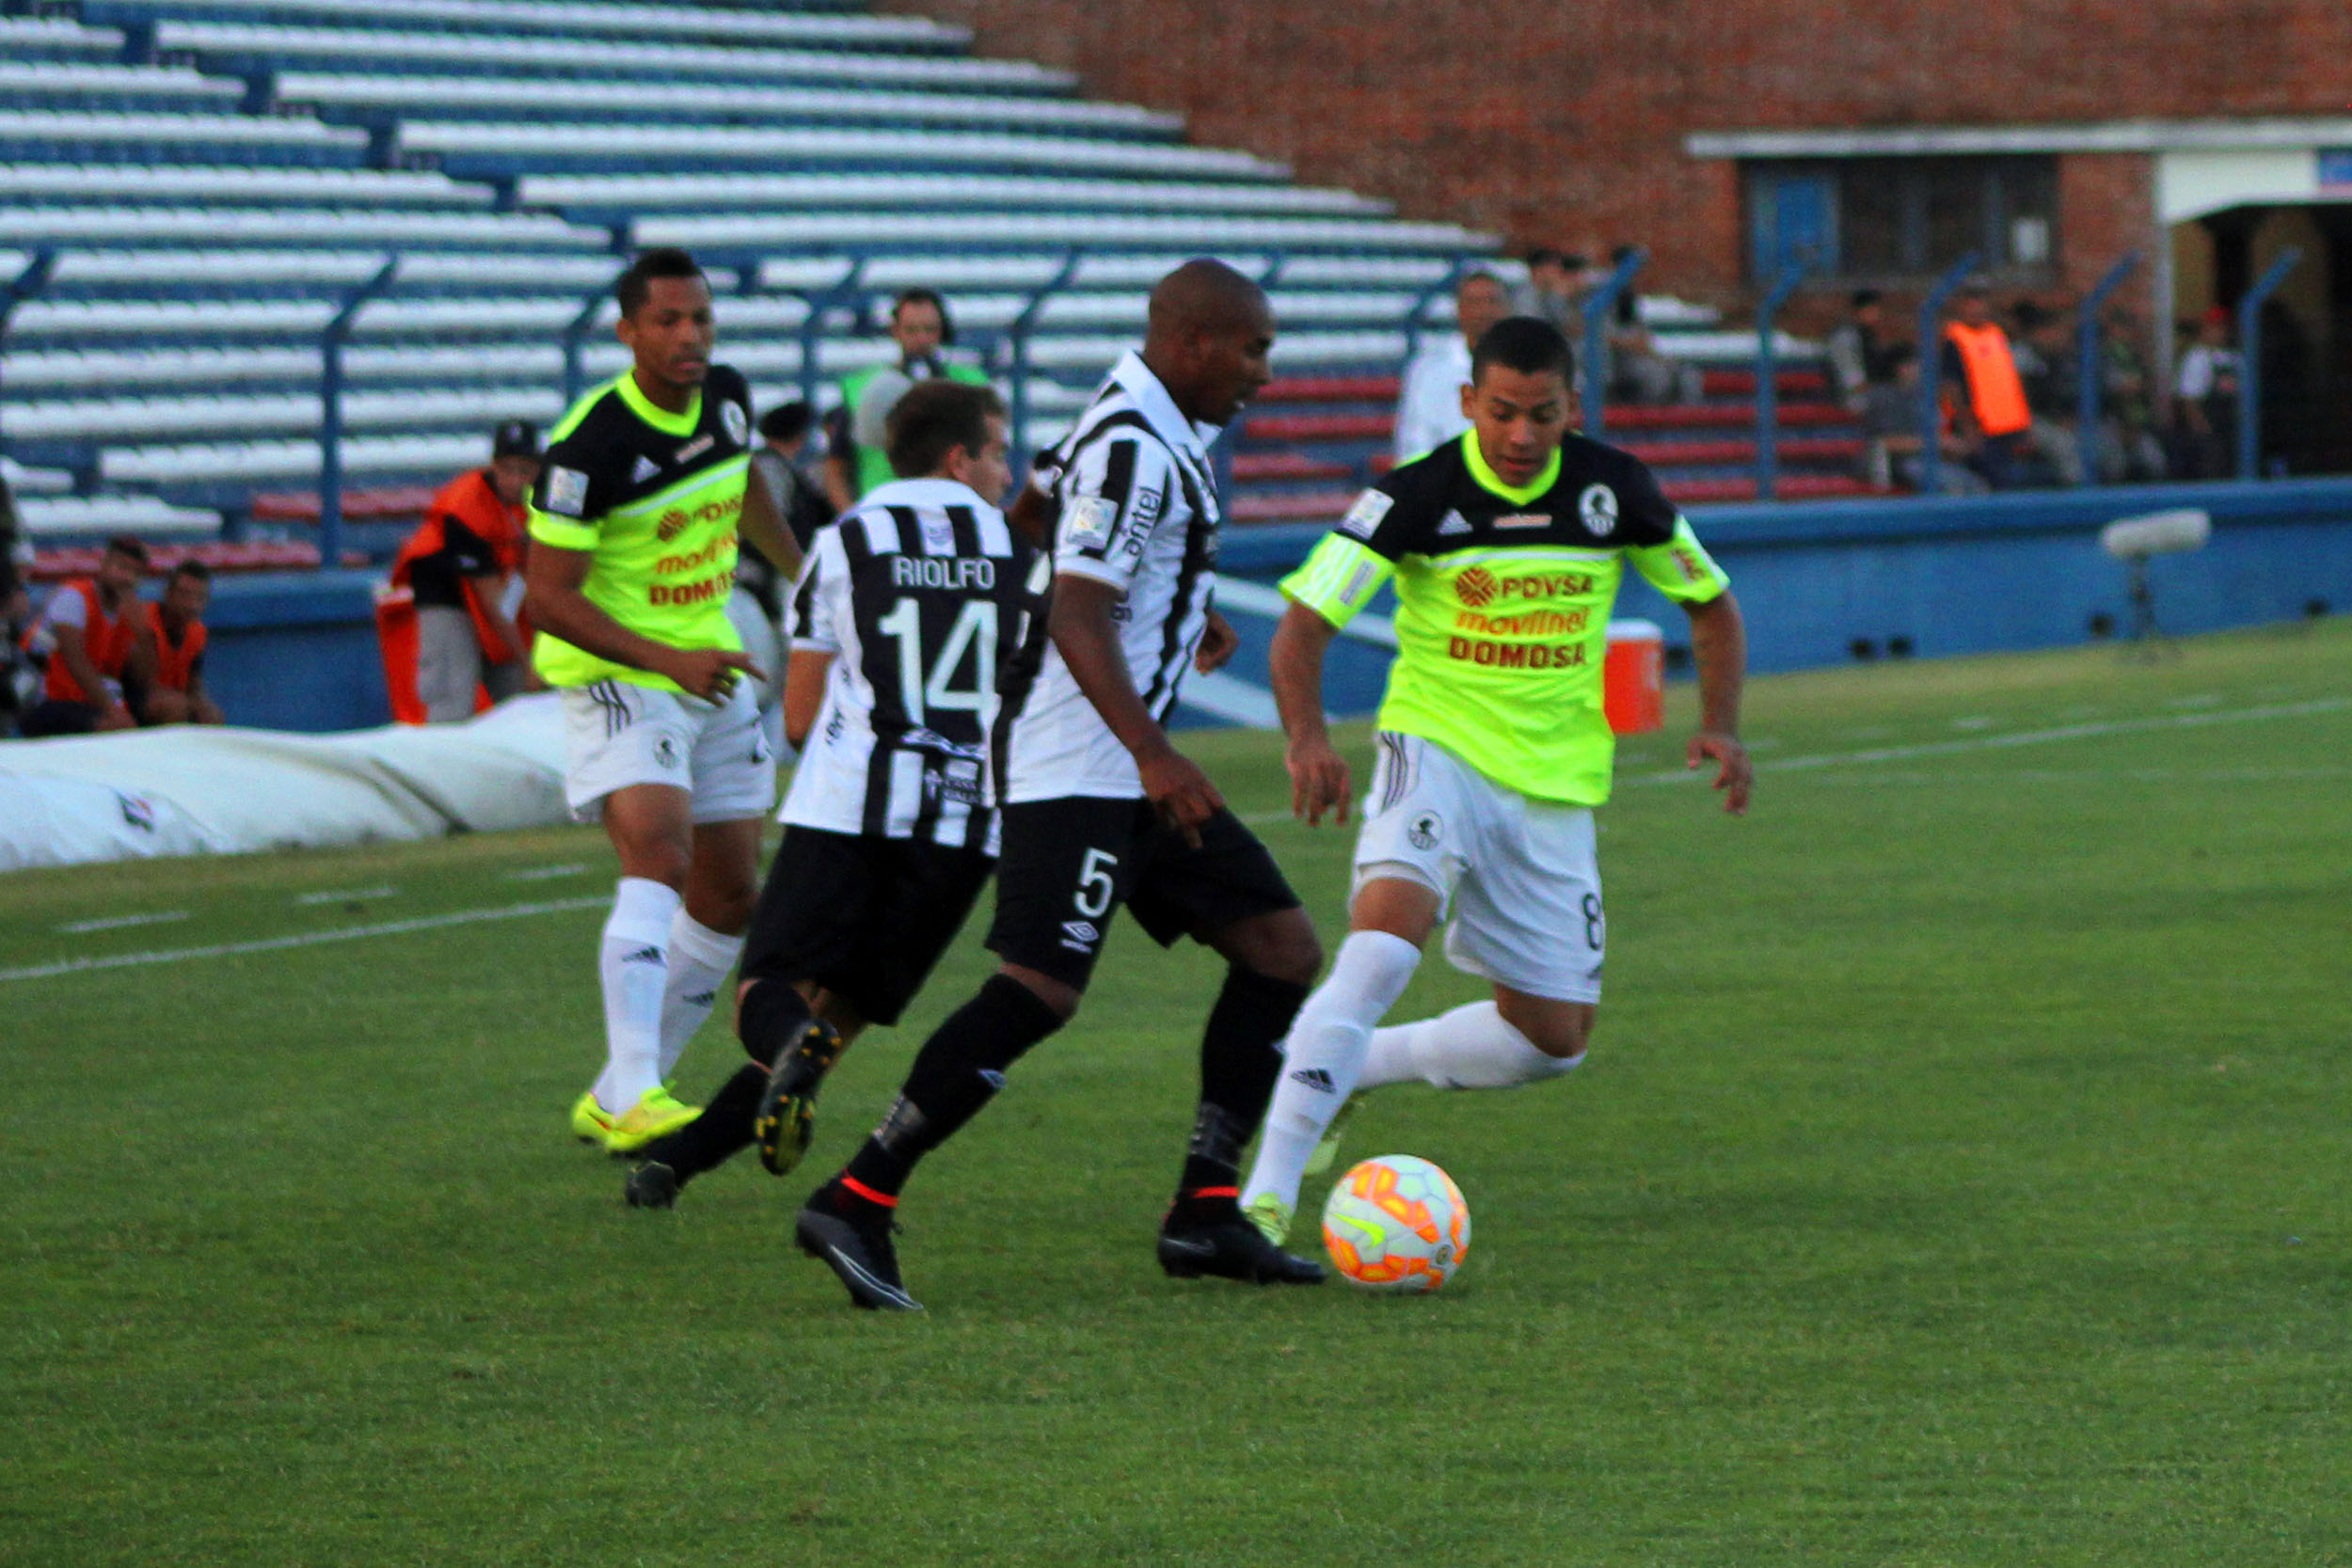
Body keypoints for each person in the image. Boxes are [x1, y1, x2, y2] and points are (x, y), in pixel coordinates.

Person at [791, 259, 1327, 1311]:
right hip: (1076, 765)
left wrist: (1174, 606)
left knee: (1278, 948)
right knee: (1036, 989)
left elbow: (1032, 513)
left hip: (1114, 765)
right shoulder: (1133, 441)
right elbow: (1078, 611)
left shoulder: (1127, 416)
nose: (1264, 372)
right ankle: (856, 1196)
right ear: (1192, 345)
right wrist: (1154, 750)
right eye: (1253, 349)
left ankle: (1204, 1211)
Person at [1235, 315, 1752, 1245]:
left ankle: (1356, 1064)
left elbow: (1709, 604)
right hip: (1436, 747)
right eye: (1502, 412)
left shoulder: (1614, 489)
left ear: (1572, 408)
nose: (1520, 436)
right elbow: (1303, 622)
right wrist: (1306, 738)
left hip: (1552, 785)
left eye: (1541, 415)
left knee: (1550, 1043)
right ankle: (1264, 1196)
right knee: (1385, 942)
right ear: (1468, 400)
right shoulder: (1415, 494)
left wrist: (1718, 722)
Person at [621, 380, 1030, 1209]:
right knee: (834, 1023)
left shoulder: (848, 543)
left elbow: (801, 714)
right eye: (995, 452)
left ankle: (697, 1142)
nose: (1006, 470)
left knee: (766, 1003)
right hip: (961, 824)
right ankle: (674, 1165)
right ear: (958, 458)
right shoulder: (1029, 560)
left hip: (848, 806)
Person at [523, 247, 805, 1154]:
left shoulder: (725, 395)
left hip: (703, 663)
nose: (690, 337)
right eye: (669, 322)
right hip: (619, 671)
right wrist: (663, 659)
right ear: (628, 332)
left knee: (730, 891)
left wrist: (803, 567)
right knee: (660, 854)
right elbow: (549, 596)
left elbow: (743, 478)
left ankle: (619, 1088)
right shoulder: (590, 443)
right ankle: (636, 1093)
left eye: (701, 320)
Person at [390, 420, 540, 722]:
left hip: (501, 586)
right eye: (506, 469)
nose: (515, 480)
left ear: (538, 469)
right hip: (446, 593)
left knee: (523, 702)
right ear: (493, 466)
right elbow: (492, 601)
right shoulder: (466, 502)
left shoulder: (553, 491)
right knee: (453, 697)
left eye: (524, 471)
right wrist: (529, 662)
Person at [729, 402, 836, 759]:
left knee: (777, 667)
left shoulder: (781, 467)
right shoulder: (771, 468)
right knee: (768, 666)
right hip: (764, 583)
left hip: (773, 580)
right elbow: (765, 531)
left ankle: (763, 749)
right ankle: (752, 747)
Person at [823, 288, 992, 513]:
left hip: (954, 511)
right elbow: (836, 465)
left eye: (929, 329)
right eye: (911, 330)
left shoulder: (971, 384)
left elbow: (990, 454)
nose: (921, 339)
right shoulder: (862, 387)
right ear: (895, 330)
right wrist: (850, 514)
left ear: (942, 331)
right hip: (882, 511)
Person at [20, 534, 149, 738]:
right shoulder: (74, 597)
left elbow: (143, 676)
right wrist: (113, 710)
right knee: (117, 727)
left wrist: (142, 633)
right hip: (45, 700)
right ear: (104, 564)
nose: (127, 578)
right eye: (122, 568)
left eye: (135, 572)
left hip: (86, 701)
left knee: (162, 712)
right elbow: (75, 660)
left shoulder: (129, 613)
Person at [1394, 270, 1512, 465]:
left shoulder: (1531, 366)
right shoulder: (1430, 369)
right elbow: (1414, 443)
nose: (1484, 311)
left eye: (1492, 301)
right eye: (1474, 302)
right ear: (1459, 309)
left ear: (1507, 308)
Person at [1940, 284, 2035, 490]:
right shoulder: (1955, 340)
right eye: (1970, 305)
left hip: (2007, 427)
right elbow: (1952, 386)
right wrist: (1968, 427)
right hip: (1979, 428)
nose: (1977, 310)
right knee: (1994, 482)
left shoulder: (1996, 335)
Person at [128, 561, 223, 725]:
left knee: (212, 715)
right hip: (133, 696)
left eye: (200, 597)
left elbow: (194, 685)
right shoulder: (144, 621)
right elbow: (142, 683)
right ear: (168, 594)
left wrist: (200, 704)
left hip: (172, 696)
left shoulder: (197, 632)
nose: (192, 605)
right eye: (185, 595)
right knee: (175, 707)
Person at [2172, 309, 2242, 481]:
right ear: (2205, 330)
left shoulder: (2235, 359)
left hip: (2233, 432)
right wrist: (2203, 434)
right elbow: (2189, 401)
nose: (2219, 332)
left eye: (2222, 328)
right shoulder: (2197, 358)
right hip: (2209, 433)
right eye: (2214, 327)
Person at [1824, 289, 1897, 415]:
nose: (1877, 314)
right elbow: (1853, 382)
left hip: (1870, 394)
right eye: (1873, 310)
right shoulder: (1844, 336)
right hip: (1849, 398)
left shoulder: (1867, 335)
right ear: (1860, 311)